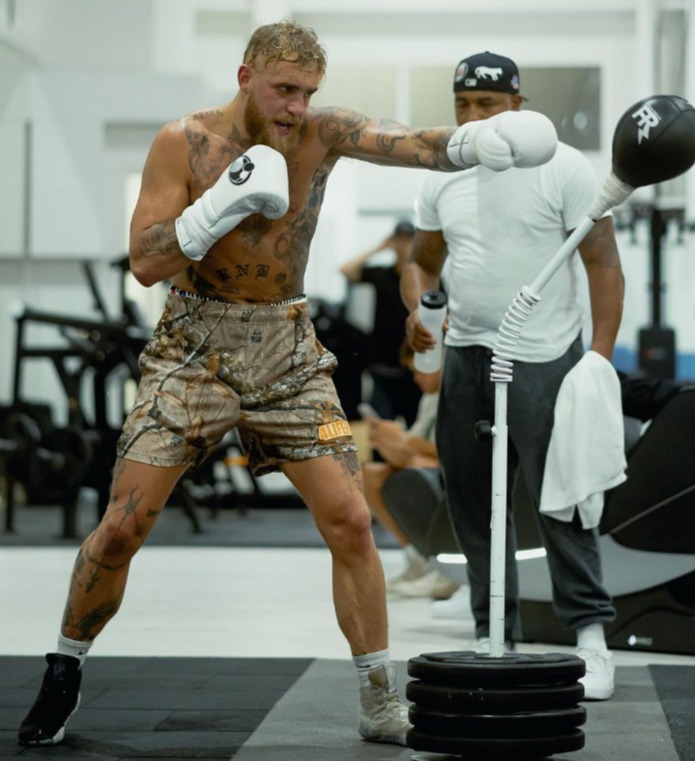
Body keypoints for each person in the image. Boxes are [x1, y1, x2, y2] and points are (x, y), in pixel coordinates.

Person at [17, 24, 558, 748]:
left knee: (350, 518)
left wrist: (476, 144)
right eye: (282, 90)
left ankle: (377, 697)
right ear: (246, 76)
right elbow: (145, 263)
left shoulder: (320, 132)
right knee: (122, 524)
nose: (295, 106)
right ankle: (64, 669)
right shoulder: (184, 142)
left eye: (307, 92)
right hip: (192, 346)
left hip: (288, 348)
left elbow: (415, 143)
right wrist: (217, 207)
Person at [401, 51, 624, 701]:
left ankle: (588, 637)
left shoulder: (561, 166)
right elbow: (420, 261)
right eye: (463, 107)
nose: (474, 119)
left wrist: (599, 357)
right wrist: (418, 307)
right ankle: (491, 631)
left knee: (563, 500)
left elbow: (602, 263)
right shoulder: (443, 168)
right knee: (473, 506)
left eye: (488, 106)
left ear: (516, 106)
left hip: (547, 353)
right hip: (468, 353)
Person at [361, 344, 458, 600]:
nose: (416, 378)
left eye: (422, 370)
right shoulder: (429, 399)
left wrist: (403, 441)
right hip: (432, 464)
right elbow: (410, 452)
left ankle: (448, 565)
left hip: (453, 469)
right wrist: (386, 440)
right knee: (370, 474)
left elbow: (450, 450)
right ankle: (417, 557)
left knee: (411, 470)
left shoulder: (458, 393)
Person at [341, 221, 422, 427]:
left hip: (415, 370)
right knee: (380, 430)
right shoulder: (380, 274)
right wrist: (379, 248)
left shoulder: (424, 278)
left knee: (415, 431)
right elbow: (346, 269)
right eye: (400, 241)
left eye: (409, 241)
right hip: (382, 367)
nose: (404, 246)